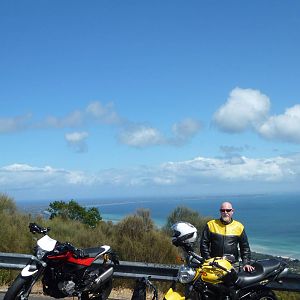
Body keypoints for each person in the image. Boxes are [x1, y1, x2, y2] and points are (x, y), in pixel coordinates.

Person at [200, 201, 255, 272]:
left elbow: (245, 247)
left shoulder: (239, 226)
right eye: (222, 210)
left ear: (232, 211)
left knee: (234, 283)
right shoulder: (211, 224)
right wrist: (208, 259)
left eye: (228, 210)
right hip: (214, 264)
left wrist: (246, 263)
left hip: (233, 265)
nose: (225, 212)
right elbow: (203, 244)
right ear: (220, 212)